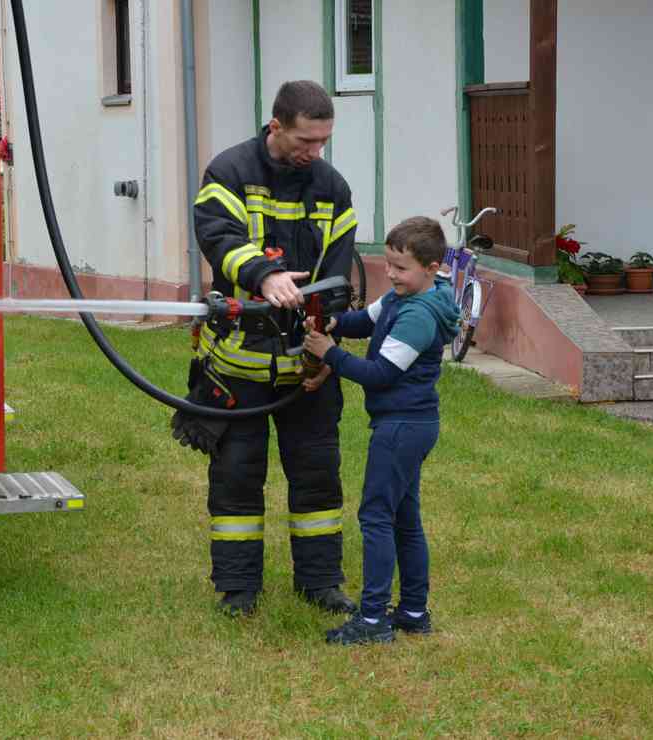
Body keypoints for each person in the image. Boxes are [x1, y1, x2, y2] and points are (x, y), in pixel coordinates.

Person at [174, 80, 359, 617]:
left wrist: (326, 354)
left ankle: (321, 583)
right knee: (236, 478)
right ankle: (238, 590)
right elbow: (219, 238)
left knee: (318, 475)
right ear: (276, 126)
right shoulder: (229, 173)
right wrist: (265, 275)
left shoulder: (332, 188)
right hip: (238, 368)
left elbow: (337, 278)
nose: (315, 152)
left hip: (307, 367)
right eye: (305, 140)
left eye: (323, 141)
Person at [302, 217, 459, 645]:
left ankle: (372, 620)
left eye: (400, 267)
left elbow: (380, 374)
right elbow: (364, 321)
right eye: (388, 264)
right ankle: (413, 612)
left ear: (431, 268)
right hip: (411, 424)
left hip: (402, 427)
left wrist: (329, 354)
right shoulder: (403, 297)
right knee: (404, 518)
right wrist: (334, 324)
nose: (390, 274)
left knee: (375, 517)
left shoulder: (418, 317)